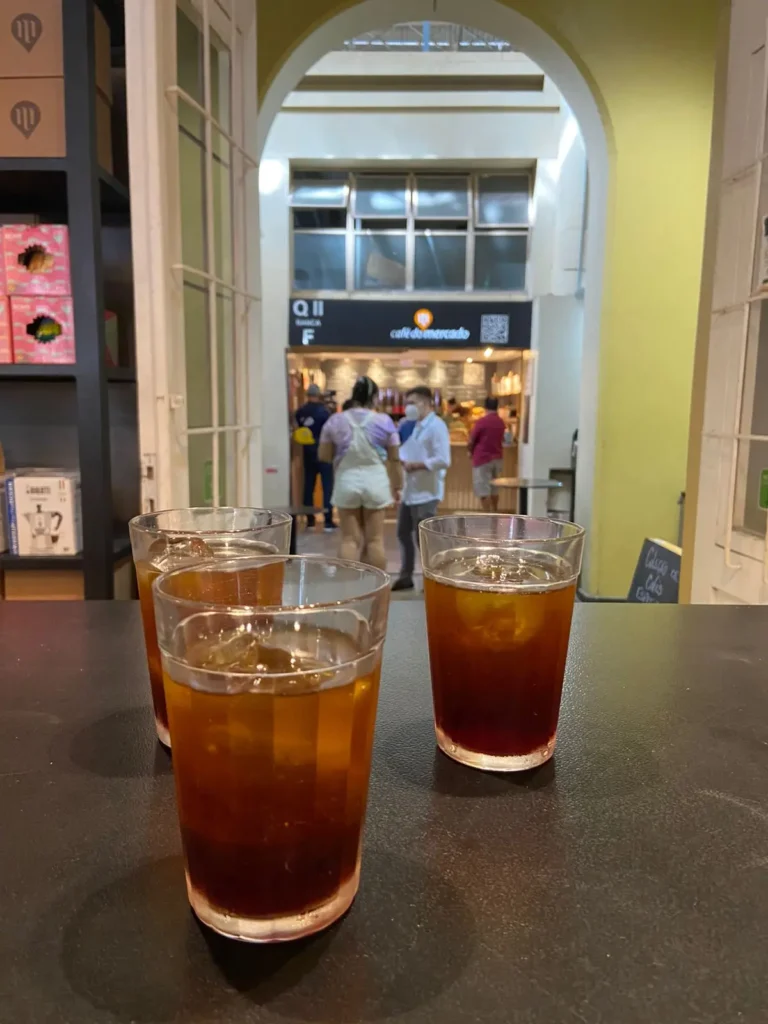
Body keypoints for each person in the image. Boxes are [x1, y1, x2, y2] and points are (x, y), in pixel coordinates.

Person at [319, 376, 402, 570]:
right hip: (376, 482)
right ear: (374, 397)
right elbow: (395, 458)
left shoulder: (335, 421)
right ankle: (377, 593)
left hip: (346, 480)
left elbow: (324, 455)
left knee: (349, 540)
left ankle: (348, 592)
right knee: (374, 540)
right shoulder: (385, 421)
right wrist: (398, 486)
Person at [393, 385, 451, 592]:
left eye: (413, 403)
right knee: (402, 533)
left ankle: (433, 578)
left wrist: (417, 465)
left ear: (426, 403)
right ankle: (406, 575)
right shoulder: (415, 425)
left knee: (423, 538)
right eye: (407, 403)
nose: (409, 407)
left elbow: (443, 460)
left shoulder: (437, 426)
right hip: (411, 491)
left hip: (427, 492)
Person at [294, 383, 334, 530]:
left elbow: (298, 429)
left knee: (308, 486)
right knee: (327, 486)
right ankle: (328, 521)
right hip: (323, 452)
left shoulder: (300, 412)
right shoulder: (325, 412)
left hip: (307, 452)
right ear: (319, 395)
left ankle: (310, 520)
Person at [469, 396, 506, 511]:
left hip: (482, 459)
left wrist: (469, 451)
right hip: (497, 458)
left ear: (485, 407)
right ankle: (495, 512)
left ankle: (487, 516)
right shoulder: (501, 422)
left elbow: (472, 439)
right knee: (494, 489)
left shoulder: (482, 422)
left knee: (483, 490)